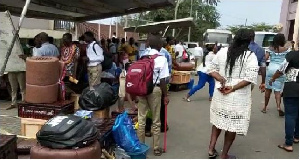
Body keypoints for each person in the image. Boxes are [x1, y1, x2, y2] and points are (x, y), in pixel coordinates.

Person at [207, 29, 259, 159]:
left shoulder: (223, 51)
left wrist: (221, 79)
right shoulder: (250, 56)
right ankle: (224, 155)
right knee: (231, 126)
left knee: (218, 122)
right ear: (249, 40)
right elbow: (250, 78)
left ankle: (211, 149)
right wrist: (233, 88)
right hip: (238, 96)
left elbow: (211, 69)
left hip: (221, 92)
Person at [137, 34, 169, 156]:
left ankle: (140, 146)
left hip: (141, 89)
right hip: (155, 90)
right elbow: (162, 81)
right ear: (160, 45)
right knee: (156, 119)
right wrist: (165, 95)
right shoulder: (162, 58)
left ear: (149, 44)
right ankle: (156, 148)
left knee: (141, 118)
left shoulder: (143, 56)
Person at [269, 50, 299, 152]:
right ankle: (297, 136)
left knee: (290, 115)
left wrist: (273, 78)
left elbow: (281, 69)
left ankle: (288, 143)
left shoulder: (293, 54)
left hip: (292, 88)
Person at [262, 34, 289, 116]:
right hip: (280, 71)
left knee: (268, 89)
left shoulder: (270, 48)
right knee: (277, 90)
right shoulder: (286, 49)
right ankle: (278, 107)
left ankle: (265, 107)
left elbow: (265, 58)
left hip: (271, 70)